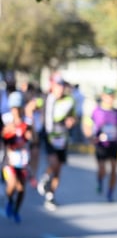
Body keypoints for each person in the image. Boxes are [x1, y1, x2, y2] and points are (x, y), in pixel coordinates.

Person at [38, 77, 77, 210]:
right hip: (50, 137)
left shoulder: (69, 101)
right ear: (53, 86)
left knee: (58, 170)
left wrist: (71, 121)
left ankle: (50, 197)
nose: (60, 89)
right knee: (53, 163)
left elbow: (73, 117)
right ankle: (45, 178)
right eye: (57, 86)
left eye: (62, 86)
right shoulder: (45, 98)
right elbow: (30, 107)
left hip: (63, 137)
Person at [86, 86, 117, 202]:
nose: (110, 99)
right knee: (102, 170)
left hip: (113, 144)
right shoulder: (96, 111)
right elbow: (87, 124)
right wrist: (91, 137)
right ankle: (100, 180)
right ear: (103, 97)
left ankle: (110, 192)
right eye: (108, 96)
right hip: (101, 145)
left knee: (114, 169)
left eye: (112, 96)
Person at [2, 91, 31, 223]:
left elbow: (32, 140)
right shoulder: (6, 120)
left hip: (22, 160)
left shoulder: (26, 122)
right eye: (14, 108)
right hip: (9, 159)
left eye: (18, 108)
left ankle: (16, 210)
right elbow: (3, 138)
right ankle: (9, 200)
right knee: (12, 183)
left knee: (21, 189)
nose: (16, 111)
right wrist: (7, 131)